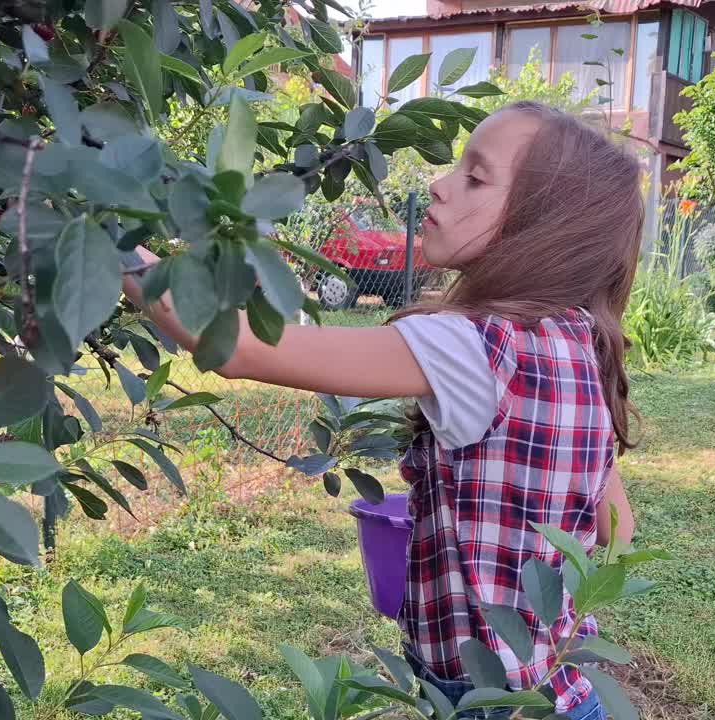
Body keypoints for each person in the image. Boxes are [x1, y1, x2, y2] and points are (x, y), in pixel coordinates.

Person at [123, 100, 641, 719]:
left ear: (543, 226)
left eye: (475, 177)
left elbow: (234, 345)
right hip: (559, 694)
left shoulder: (474, 346)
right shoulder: (581, 339)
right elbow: (616, 527)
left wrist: (101, 237)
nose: (438, 185)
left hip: (488, 704)